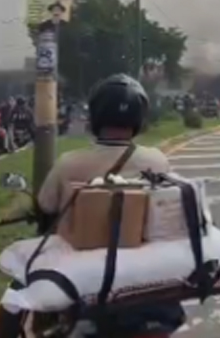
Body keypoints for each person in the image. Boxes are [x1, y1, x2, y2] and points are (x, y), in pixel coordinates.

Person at [34, 74, 183, 337]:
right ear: (139, 118)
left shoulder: (69, 163)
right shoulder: (156, 161)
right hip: (143, 276)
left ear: (95, 116)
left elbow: (46, 206)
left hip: (83, 281)